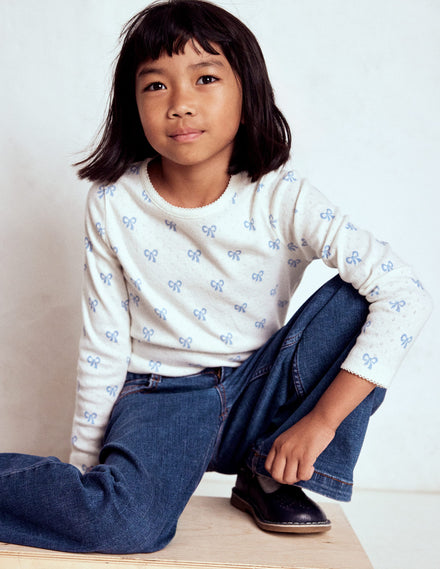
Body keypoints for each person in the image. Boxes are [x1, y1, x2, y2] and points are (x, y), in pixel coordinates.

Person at [0, 0, 432, 555]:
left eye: (205, 78)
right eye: (156, 85)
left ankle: (267, 474)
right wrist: (86, 473)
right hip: (163, 398)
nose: (180, 103)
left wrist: (321, 422)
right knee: (128, 528)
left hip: (258, 389)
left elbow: (404, 295)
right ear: (133, 106)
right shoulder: (114, 201)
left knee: (361, 298)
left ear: (248, 96)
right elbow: (103, 342)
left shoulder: (282, 195)